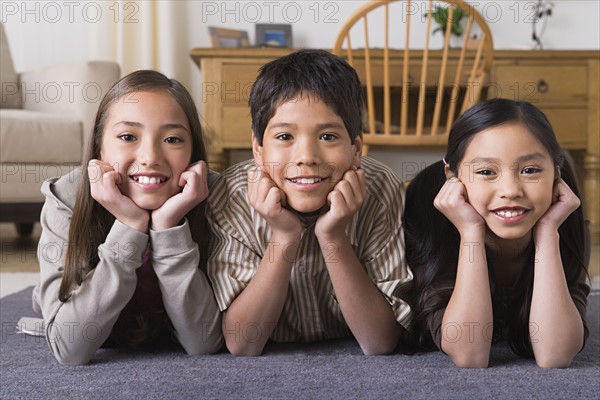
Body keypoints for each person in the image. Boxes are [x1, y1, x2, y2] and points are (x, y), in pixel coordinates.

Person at [206, 49, 412, 356]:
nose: (307, 157)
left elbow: (380, 342)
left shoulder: (381, 188)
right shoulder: (232, 195)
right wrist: (284, 235)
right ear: (258, 148)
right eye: (285, 137)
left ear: (356, 148)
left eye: (328, 136)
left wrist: (333, 237)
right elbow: (242, 343)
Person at [32, 70, 223, 365]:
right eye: (128, 136)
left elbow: (203, 342)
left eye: (172, 139)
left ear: (192, 153)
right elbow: (70, 350)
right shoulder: (66, 198)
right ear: (99, 147)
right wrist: (130, 226)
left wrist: (168, 227)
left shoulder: (215, 196)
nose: (150, 156)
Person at [404, 98, 589, 368]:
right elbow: (470, 354)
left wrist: (548, 234)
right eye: (486, 171)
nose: (511, 190)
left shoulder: (565, 224)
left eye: (530, 170)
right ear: (452, 177)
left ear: (556, 175)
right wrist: (470, 233)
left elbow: (556, 355)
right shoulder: (432, 223)